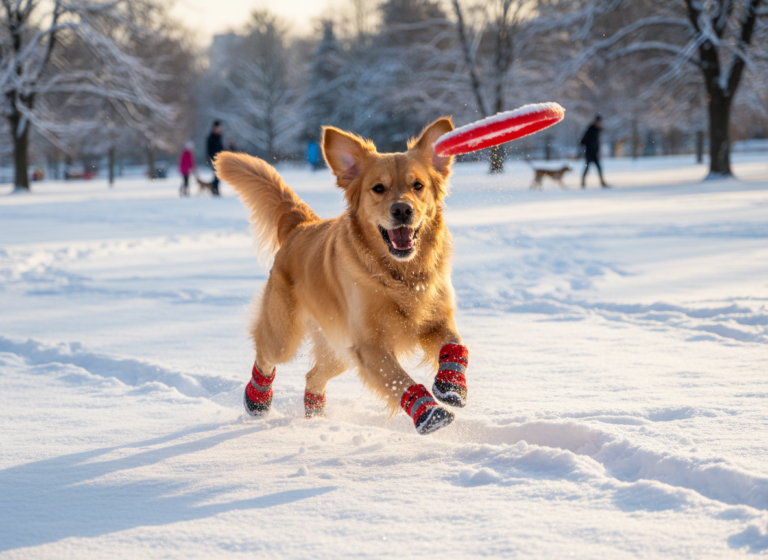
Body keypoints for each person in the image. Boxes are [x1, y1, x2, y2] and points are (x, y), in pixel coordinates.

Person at [580, 115, 608, 188]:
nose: (599, 123)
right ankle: (583, 183)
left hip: (595, 153)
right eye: (598, 122)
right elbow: (583, 141)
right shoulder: (590, 130)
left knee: (599, 168)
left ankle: (602, 182)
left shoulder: (597, 130)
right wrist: (589, 147)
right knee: (587, 167)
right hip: (589, 153)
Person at [207, 121, 224, 196]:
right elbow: (209, 150)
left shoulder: (219, 137)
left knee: (218, 174)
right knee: (216, 174)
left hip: (220, 159)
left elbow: (221, 148)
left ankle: (215, 188)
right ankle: (214, 188)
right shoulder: (211, 137)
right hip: (214, 159)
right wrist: (212, 158)